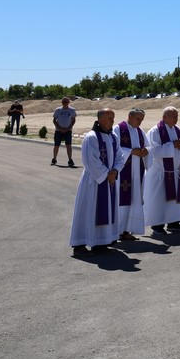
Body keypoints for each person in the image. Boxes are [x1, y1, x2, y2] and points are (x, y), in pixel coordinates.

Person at [69, 108, 120, 257]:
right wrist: (107, 174)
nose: (112, 121)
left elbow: (120, 156)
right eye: (110, 118)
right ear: (100, 119)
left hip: (108, 179)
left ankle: (100, 242)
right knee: (88, 211)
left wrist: (115, 171)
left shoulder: (113, 136)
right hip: (93, 181)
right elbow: (90, 161)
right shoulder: (91, 137)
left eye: (113, 118)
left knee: (105, 211)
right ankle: (79, 244)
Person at [144, 107, 180, 234]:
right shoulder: (156, 131)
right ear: (164, 117)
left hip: (175, 172)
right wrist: (173, 145)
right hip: (160, 172)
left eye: (176, 115)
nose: (176, 118)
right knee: (159, 200)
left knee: (174, 201)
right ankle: (157, 226)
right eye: (173, 116)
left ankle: (174, 222)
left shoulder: (178, 131)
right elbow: (154, 150)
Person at [115, 108, 150, 241]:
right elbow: (114, 148)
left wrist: (146, 151)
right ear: (129, 116)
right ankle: (116, 231)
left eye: (141, 120)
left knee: (133, 200)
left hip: (137, 173)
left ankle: (126, 230)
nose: (140, 122)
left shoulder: (140, 132)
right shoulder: (118, 129)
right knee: (121, 201)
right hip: (124, 173)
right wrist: (131, 152)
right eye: (138, 119)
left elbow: (149, 146)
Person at [52, 97, 77, 167]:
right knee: (56, 145)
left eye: (66, 102)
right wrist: (59, 128)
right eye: (64, 102)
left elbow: (73, 120)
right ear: (61, 102)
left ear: (69, 102)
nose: (65, 103)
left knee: (68, 145)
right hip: (58, 131)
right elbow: (54, 120)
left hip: (68, 130)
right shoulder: (58, 110)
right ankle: (54, 158)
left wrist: (68, 128)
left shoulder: (72, 110)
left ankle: (70, 160)